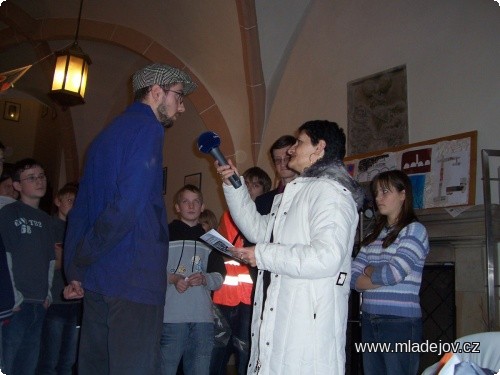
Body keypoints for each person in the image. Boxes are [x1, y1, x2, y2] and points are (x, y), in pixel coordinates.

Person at [63, 63, 197, 375]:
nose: (182, 107)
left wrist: (77, 266)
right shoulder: (148, 128)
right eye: (178, 96)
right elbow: (127, 208)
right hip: (132, 281)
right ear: (155, 92)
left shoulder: (103, 138)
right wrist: (84, 256)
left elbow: (81, 211)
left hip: (98, 280)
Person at [216, 120, 364, 375]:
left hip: (307, 325)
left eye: (299, 143)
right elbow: (259, 231)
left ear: (319, 149)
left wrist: (262, 254)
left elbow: (326, 256)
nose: (291, 150)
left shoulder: (332, 194)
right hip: (284, 314)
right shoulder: (295, 194)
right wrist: (235, 187)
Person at [350, 170, 430, 375]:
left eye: (385, 192)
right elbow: (352, 277)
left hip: (400, 323)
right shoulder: (372, 234)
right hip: (369, 318)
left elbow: (394, 274)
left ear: (403, 194)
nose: (378, 198)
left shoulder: (415, 230)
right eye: (376, 193)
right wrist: (376, 274)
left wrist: (368, 270)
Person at [210, 167, 271, 375]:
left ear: (264, 190)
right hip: (223, 295)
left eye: (256, 185)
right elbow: (218, 246)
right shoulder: (228, 215)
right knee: (217, 352)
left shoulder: (267, 216)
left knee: (245, 353)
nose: (251, 189)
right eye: (248, 184)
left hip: (250, 298)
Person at [160, 184, 225, 375]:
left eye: (196, 202)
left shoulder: (211, 239)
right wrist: (172, 278)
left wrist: (205, 279)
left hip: (202, 318)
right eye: (185, 202)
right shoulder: (164, 235)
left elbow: (220, 276)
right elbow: (150, 272)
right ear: (177, 207)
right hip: (171, 317)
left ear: (202, 206)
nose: (191, 206)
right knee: (166, 369)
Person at [0, 158, 56, 375]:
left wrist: (48, 294)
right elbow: (6, 256)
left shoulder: (46, 220)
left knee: (28, 364)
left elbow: (50, 260)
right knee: (8, 363)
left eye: (41, 176)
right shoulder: (8, 214)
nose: (39, 181)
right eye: (31, 178)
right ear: (17, 185)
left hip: (38, 302)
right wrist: (12, 296)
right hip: (17, 304)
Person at [37, 183, 81, 375]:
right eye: (70, 200)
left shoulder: (80, 229)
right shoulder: (48, 226)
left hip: (77, 302)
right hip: (54, 299)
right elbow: (46, 262)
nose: (74, 205)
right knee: (49, 359)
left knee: (68, 360)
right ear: (58, 201)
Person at [254, 135, 297, 215]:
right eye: (278, 160)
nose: (283, 164)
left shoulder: (307, 193)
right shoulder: (262, 201)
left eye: (287, 158)